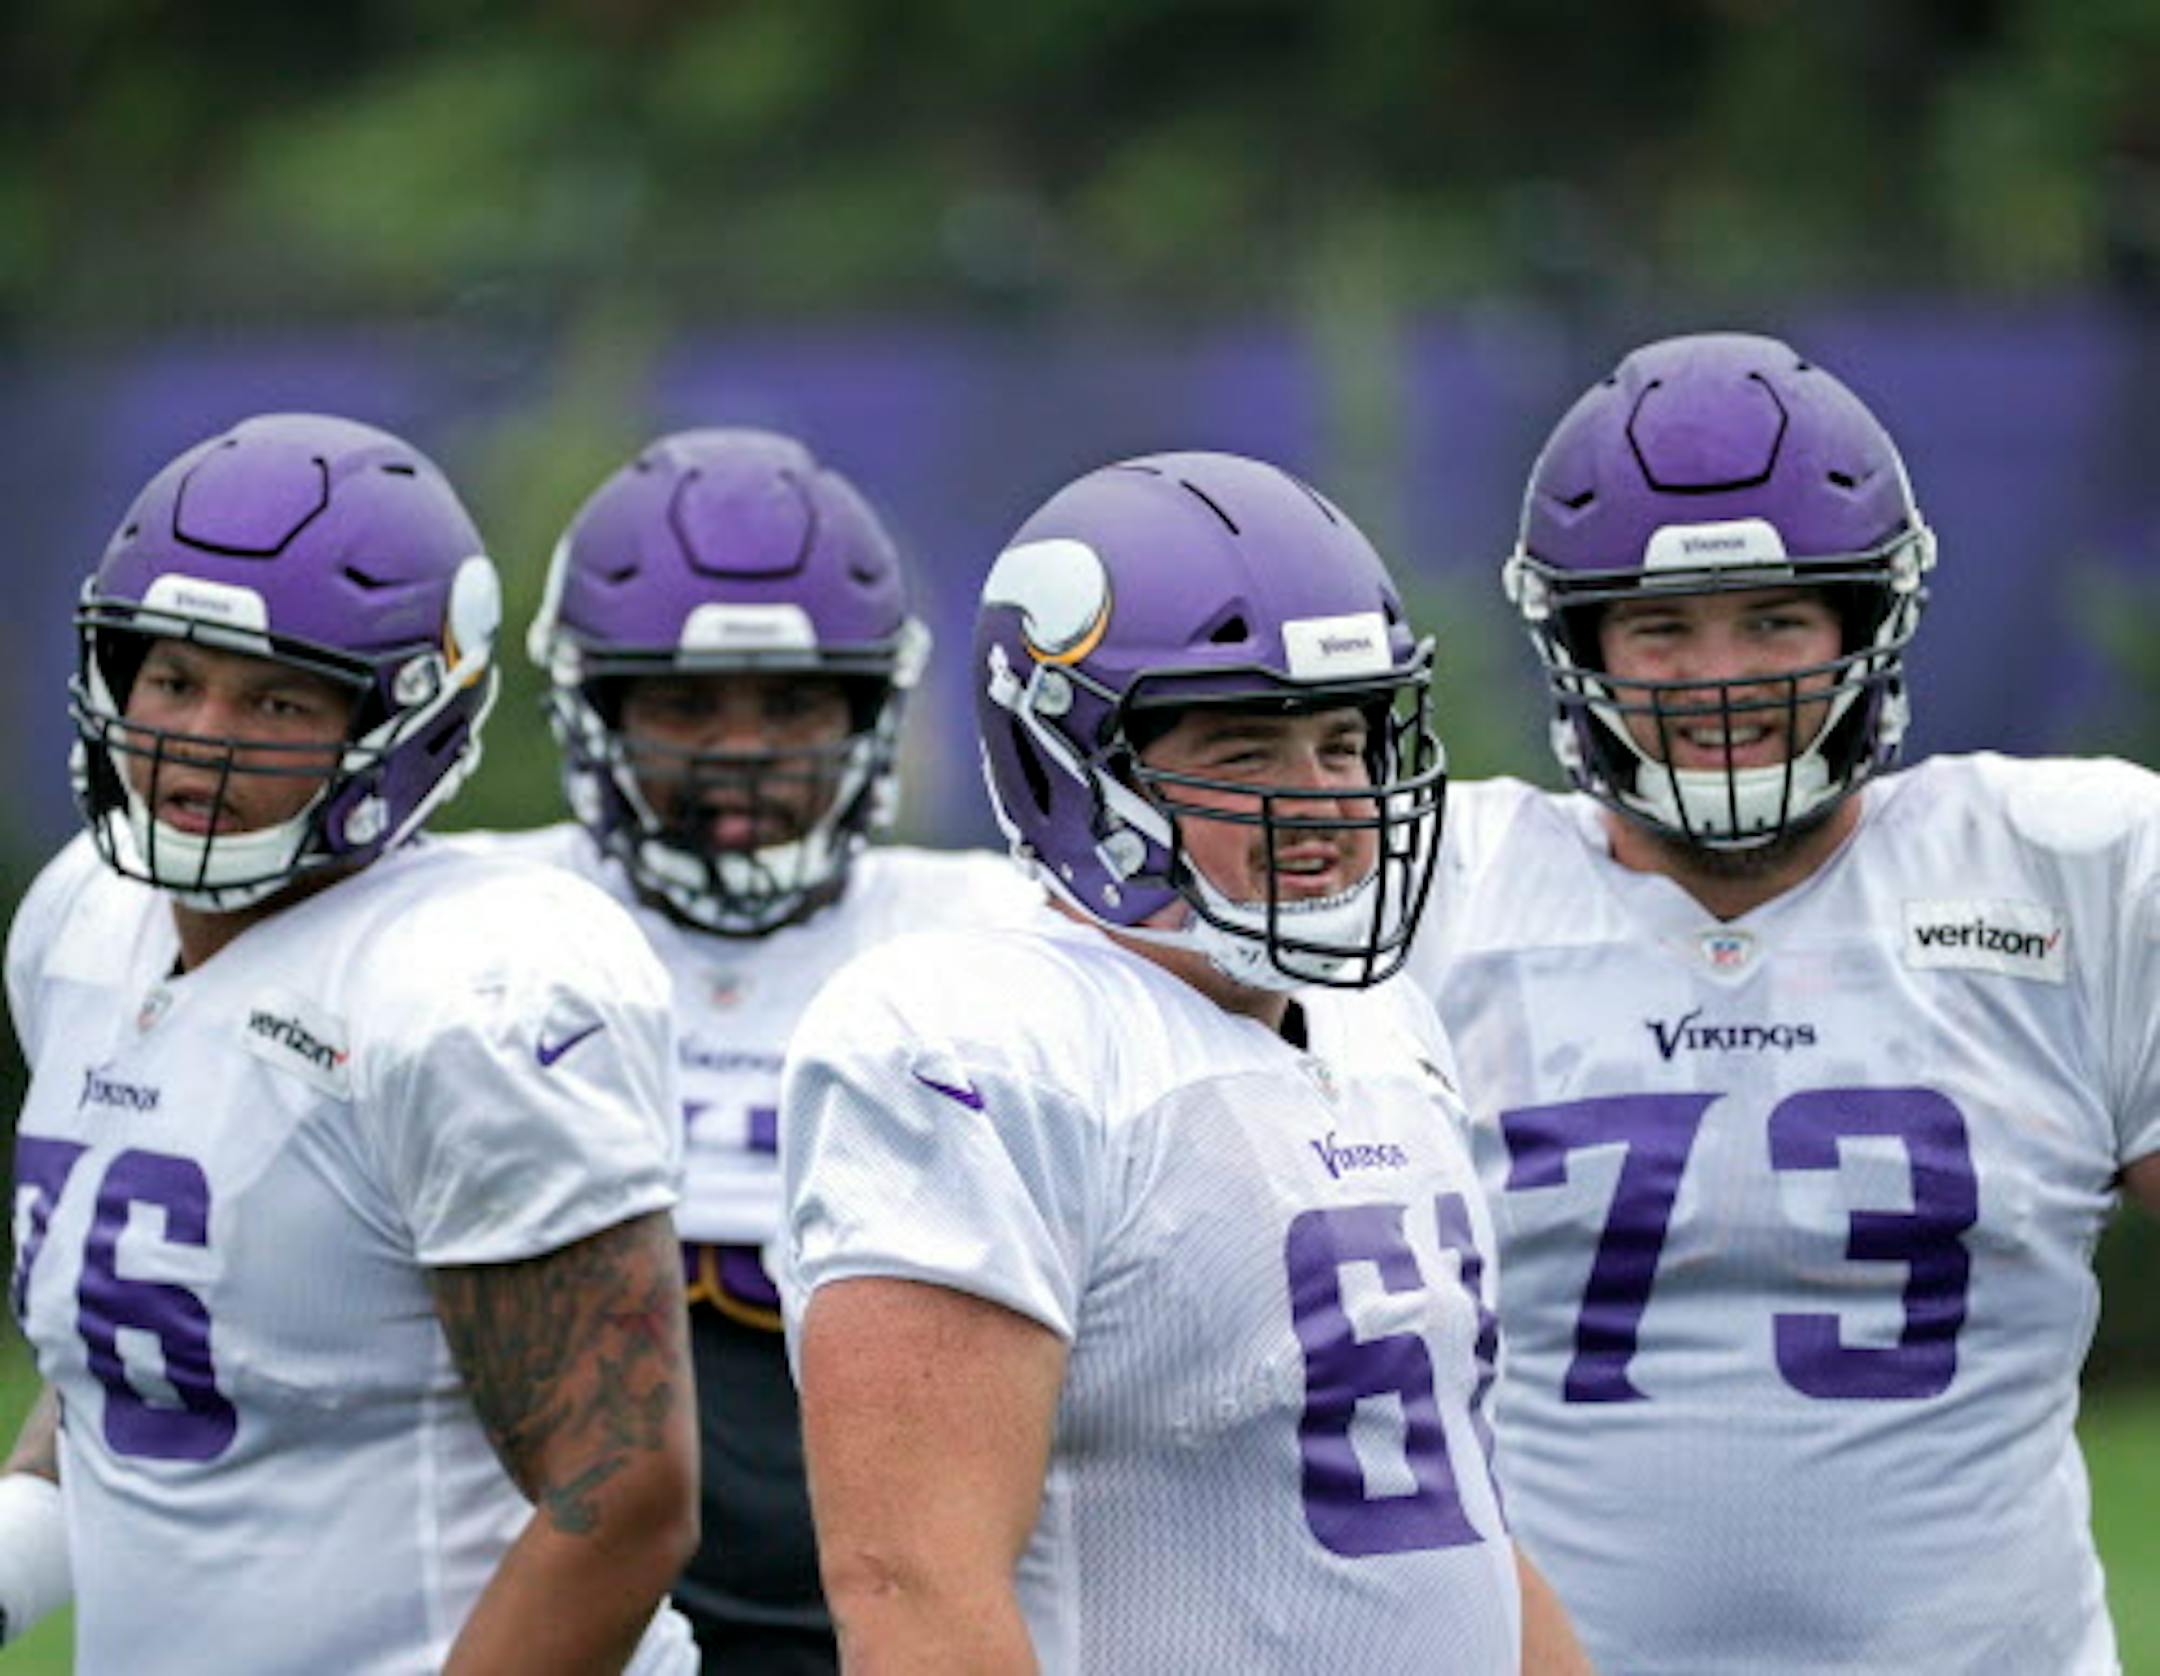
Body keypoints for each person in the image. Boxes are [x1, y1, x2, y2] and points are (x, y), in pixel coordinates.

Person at [1404, 331, 2160, 1674]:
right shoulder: (1438, 899)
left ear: (1866, 625)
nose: (1722, 677)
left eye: (1773, 618)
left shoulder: (2077, 873)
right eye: (1661, 626)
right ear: (1581, 644)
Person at [778, 451, 1590, 1673]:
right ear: (1072, 767)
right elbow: (915, 1586)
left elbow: (1443, 1508)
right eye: (1243, 751)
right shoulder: (983, 1042)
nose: (1318, 800)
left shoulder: (1384, 1026)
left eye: (1339, 740)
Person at [0, 414, 700, 1673]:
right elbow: (133, 1355)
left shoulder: (470, 990)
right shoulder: (79, 921)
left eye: (273, 697)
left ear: (402, 719)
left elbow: (621, 1494)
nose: (199, 734)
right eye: (170, 678)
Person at [476, 427, 1042, 1674]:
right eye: (684, 703)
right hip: (558, 1604)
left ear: (869, 709)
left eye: (791, 703)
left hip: (895, 1603)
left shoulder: (1004, 940)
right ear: (595, 705)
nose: (740, 749)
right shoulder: (471, 932)